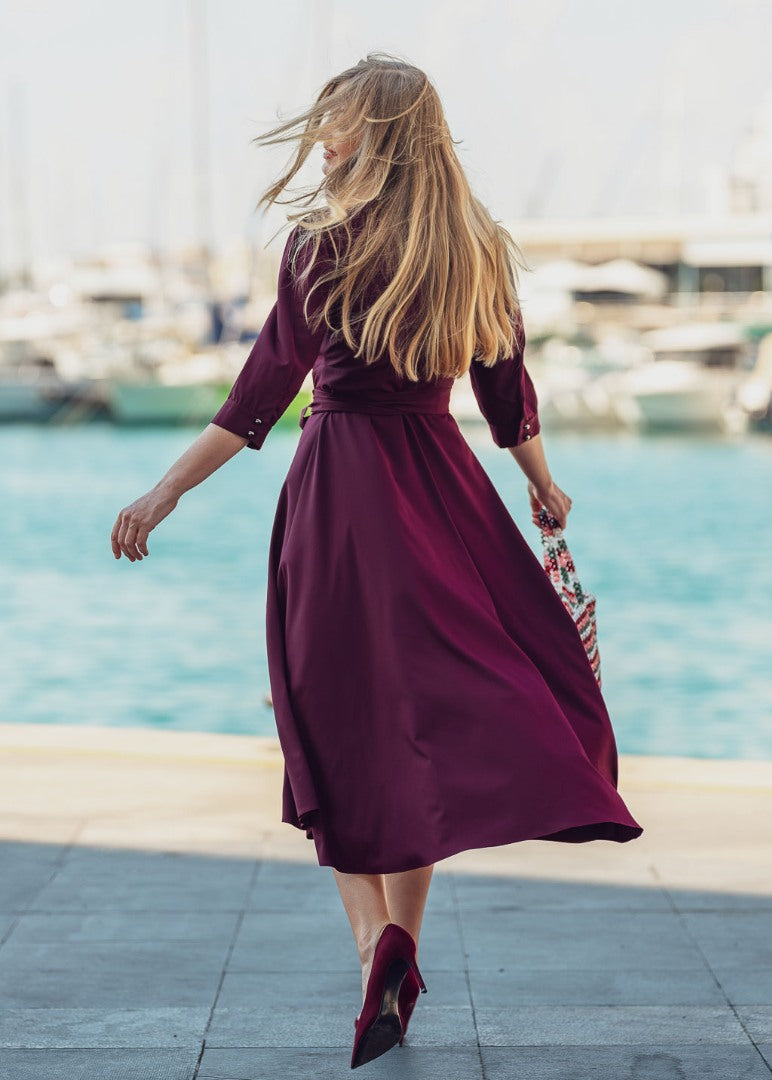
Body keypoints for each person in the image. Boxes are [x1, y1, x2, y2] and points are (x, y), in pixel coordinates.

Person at [110, 52, 644, 1070]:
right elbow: (506, 393)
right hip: (442, 488)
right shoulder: (472, 246)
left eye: (338, 121)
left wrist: (164, 490)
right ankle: (402, 944)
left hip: (341, 494)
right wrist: (541, 484)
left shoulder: (321, 244)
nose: (322, 138)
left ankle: (373, 947)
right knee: (418, 729)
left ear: (378, 133)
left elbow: (259, 395)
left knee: (325, 716)